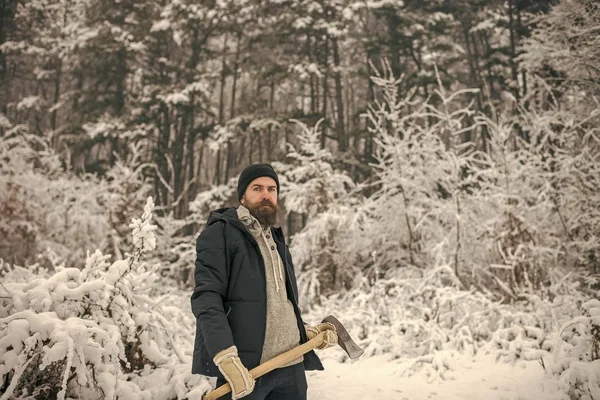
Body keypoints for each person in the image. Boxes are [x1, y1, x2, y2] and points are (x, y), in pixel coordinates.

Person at [191, 163, 338, 400]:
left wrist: (304, 333)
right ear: (242, 196)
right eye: (257, 188)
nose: (266, 195)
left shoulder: (277, 241)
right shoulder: (220, 234)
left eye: (271, 189)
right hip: (246, 369)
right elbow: (207, 297)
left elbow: (280, 302)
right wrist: (224, 355)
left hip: (291, 367)